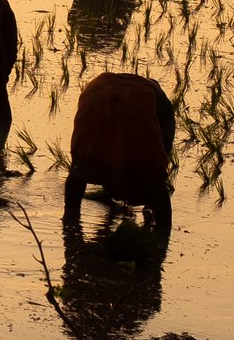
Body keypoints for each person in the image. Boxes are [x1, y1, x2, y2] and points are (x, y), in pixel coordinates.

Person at [65, 71, 177, 229]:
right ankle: (162, 238)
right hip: (133, 99)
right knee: (157, 185)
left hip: (96, 91)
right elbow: (162, 153)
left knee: (80, 168)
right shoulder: (161, 104)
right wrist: (148, 192)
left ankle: (70, 219)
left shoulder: (112, 85)